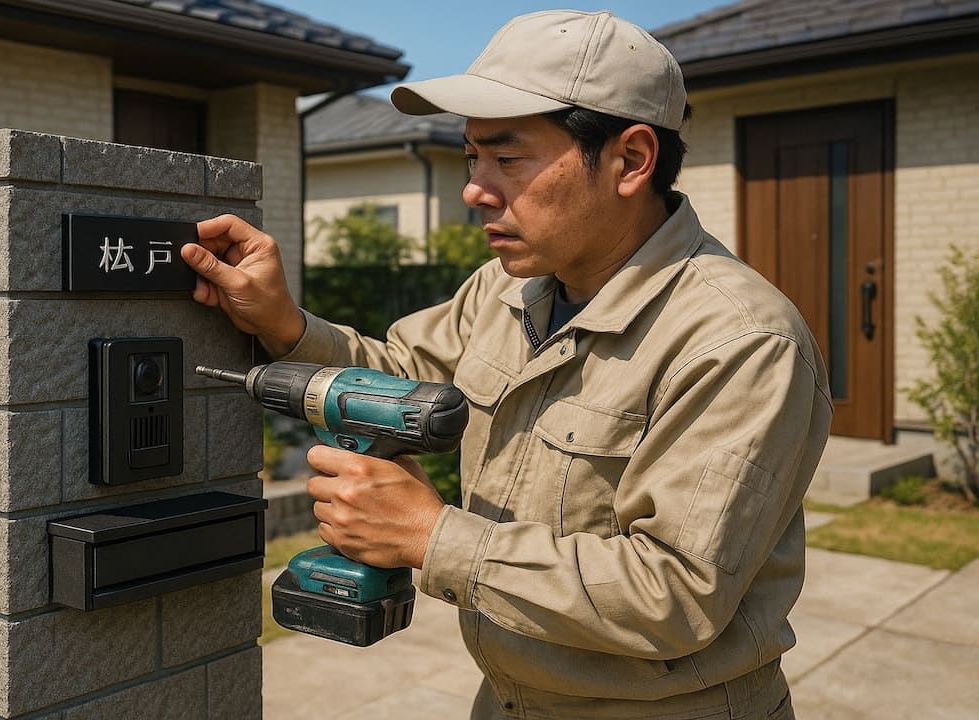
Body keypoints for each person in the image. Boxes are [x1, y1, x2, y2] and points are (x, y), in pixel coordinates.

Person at [181, 9, 831, 720]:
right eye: (470, 157)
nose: (475, 188)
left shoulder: (738, 342)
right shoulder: (511, 287)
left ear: (632, 159)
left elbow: (671, 595)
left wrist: (431, 536)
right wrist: (282, 321)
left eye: (507, 157)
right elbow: (398, 375)